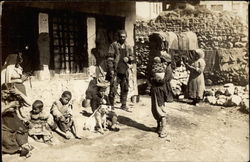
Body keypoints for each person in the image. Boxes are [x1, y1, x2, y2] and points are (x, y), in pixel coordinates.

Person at [107, 30, 135, 112]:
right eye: (121, 36)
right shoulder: (113, 45)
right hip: (116, 71)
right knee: (113, 88)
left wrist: (129, 58)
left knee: (125, 88)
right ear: (118, 37)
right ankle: (111, 105)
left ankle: (123, 104)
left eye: (124, 37)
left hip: (125, 70)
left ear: (126, 37)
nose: (122, 38)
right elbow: (110, 58)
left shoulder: (128, 46)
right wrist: (111, 69)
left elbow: (133, 57)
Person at [1, 88, 33, 158]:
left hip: (13, 120)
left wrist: (19, 92)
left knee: (21, 131)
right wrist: (8, 106)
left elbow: (29, 103)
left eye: (8, 93)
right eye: (5, 92)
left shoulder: (11, 99)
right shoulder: (5, 102)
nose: (6, 95)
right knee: (5, 137)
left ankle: (25, 147)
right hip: (4, 123)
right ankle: (19, 149)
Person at [150, 51, 173, 138]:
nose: (162, 63)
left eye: (163, 61)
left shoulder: (168, 69)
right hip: (155, 89)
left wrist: (155, 79)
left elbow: (164, 81)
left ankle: (164, 128)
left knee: (160, 108)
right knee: (154, 108)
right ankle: (159, 126)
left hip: (161, 90)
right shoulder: (160, 67)